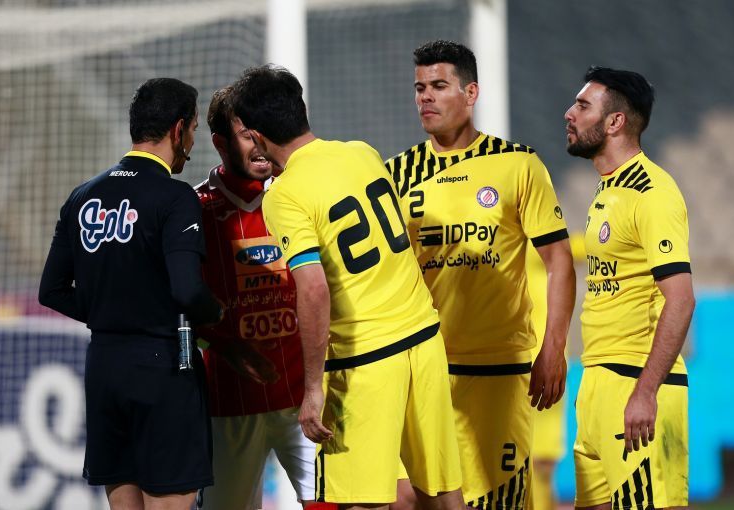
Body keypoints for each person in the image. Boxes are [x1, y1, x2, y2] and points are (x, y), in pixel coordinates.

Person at [230, 64, 464, 509]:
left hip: (365, 362)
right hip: (424, 342)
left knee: (361, 501)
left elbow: (313, 290)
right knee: (443, 493)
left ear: (257, 136)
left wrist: (313, 389)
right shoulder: (362, 152)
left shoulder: (284, 194)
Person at [385, 40, 576, 508]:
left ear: (471, 93)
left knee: (498, 501)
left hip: (500, 370)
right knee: (406, 498)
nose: (425, 97)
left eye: (438, 86)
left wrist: (553, 348)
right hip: (425, 365)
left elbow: (559, 261)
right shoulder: (396, 174)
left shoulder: (518, 165)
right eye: (419, 88)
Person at [38, 78, 222, 510]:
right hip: (163, 368)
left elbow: (51, 290)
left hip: (104, 368)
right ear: (178, 129)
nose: (192, 143)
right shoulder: (175, 198)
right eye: (194, 130)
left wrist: (109, 311)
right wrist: (218, 313)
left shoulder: (82, 196)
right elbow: (187, 290)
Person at [564, 66, 694, 510]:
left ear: (615, 121)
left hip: (636, 384)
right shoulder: (608, 191)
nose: (569, 113)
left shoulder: (653, 192)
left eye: (583, 106)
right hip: (598, 381)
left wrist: (645, 392)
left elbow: (681, 299)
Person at [193, 85, 315, 509]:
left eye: (263, 131)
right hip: (230, 406)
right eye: (247, 135)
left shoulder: (300, 194)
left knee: (338, 501)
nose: (260, 143)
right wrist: (222, 343)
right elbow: (179, 301)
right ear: (220, 143)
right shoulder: (195, 210)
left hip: (305, 399)